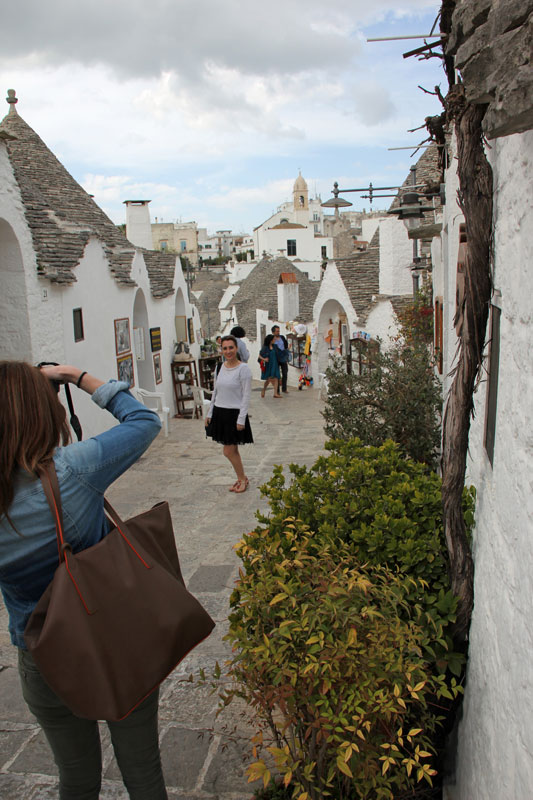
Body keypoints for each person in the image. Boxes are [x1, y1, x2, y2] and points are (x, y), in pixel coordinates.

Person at [0, 361, 167, 800]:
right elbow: (144, 420)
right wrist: (77, 377)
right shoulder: (73, 469)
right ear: (43, 413)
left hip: (44, 657)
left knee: (76, 778)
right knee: (143, 771)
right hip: (115, 644)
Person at [205, 336, 253, 493]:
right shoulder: (219, 368)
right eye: (225, 348)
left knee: (228, 451)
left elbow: (246, 396)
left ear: (236, 348)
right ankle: (242, 478)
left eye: (231, 348)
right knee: (233, 450)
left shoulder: (243, 369)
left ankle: (242, 479)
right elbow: (215, 392)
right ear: (221, 350)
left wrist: (241, 419)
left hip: (234, 414)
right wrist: (210, 413)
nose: (228, 351)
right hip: (220, 412)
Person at [259, 334, 282, 399]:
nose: (275, 340)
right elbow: (260, 356)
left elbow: (280, 352)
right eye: (274, 339)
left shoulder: (275, 346)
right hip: (268, 365)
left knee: (276, 378)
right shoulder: (265, 347)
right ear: (270, 340)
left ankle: (275, 394)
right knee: (269, 379)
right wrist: (264, 359)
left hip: (275, 364)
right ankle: (264, 389)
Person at [271, 325, 290, 393]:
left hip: (283, 358)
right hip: (276, 358)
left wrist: (286, 353)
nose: (278, 332)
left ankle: (284, 389)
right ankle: (277, 390)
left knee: (285, 373)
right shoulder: (271, 339)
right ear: (273, 332)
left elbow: (286, 345)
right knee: (277, 375)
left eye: (279, 331)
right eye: (277, 331)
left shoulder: (282, 337)